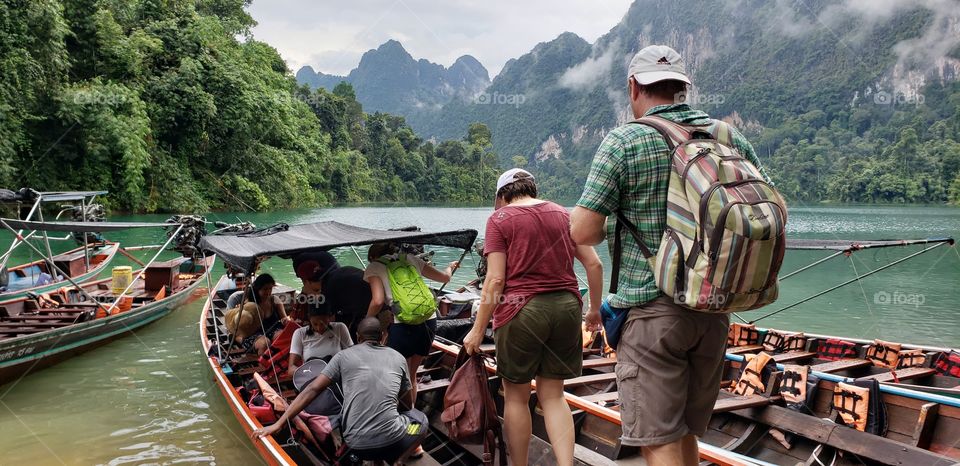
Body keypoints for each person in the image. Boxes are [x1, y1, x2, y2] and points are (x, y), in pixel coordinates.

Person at [569, 45, 768, 466]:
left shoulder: (626, 140)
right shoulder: (728, 136)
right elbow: (765, 211)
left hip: (651, 310)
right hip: (714, 307)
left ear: (633, 87)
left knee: (659, 439)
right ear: (683, 87)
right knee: (687, 432)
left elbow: (583, 231)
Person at [462, 168, 604, 466]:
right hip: (566, 309)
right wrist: (594, 310)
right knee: (554, 396)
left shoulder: (499, 219)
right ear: (532, 189)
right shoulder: (564, 214)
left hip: (521, 311)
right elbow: (594, 264)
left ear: (501, 195)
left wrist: (477, 330)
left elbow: (496, 281)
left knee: (516, 397)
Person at [252, 317, 428, 465]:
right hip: (393, 442)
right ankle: (399, 460)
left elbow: (312, 389)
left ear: (358, 337)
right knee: (420, 421)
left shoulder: (342, 357)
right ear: (383, 336)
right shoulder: (398, 358)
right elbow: (406, 404)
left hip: (355, 444)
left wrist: (278, 424)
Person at [364, 242, 459, 401]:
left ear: (373, 257)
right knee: (411, 376)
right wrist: (450, 266)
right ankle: (411, 415)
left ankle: (395, 417)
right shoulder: (410, 258)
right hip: (428, 321)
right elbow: (445, 278)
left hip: (403, 324)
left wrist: (366, 321)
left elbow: (378, 301)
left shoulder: (374, 266)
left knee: (396, 376)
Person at [291, 251, 372, 334]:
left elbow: (329, 317)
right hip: (376, 293)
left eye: (304, 282)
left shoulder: (328, 289)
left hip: (371, 305)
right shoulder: (334, 274)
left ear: (308, 281)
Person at [224, 273, 289, 346]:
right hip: (254, 333)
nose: (268, 292)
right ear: (258, 289)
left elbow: (284, 317)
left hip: (273, 330)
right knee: (264, 343)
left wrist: (285, 320)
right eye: (265, 289)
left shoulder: (275, 300)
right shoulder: (249, 304)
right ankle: (238, 339)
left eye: (270, 288)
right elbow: (241, 324)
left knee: (281, 336)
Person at [287, 303, 353, 376]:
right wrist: (310, 374)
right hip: (311, 379)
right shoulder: (300, 333)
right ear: (309, 318)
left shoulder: (340, 328)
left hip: (337, 376)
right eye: (315, 324)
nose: (319, 328)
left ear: (330, 317)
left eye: (323, 323)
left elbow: (351, 358)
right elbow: (291, 369)